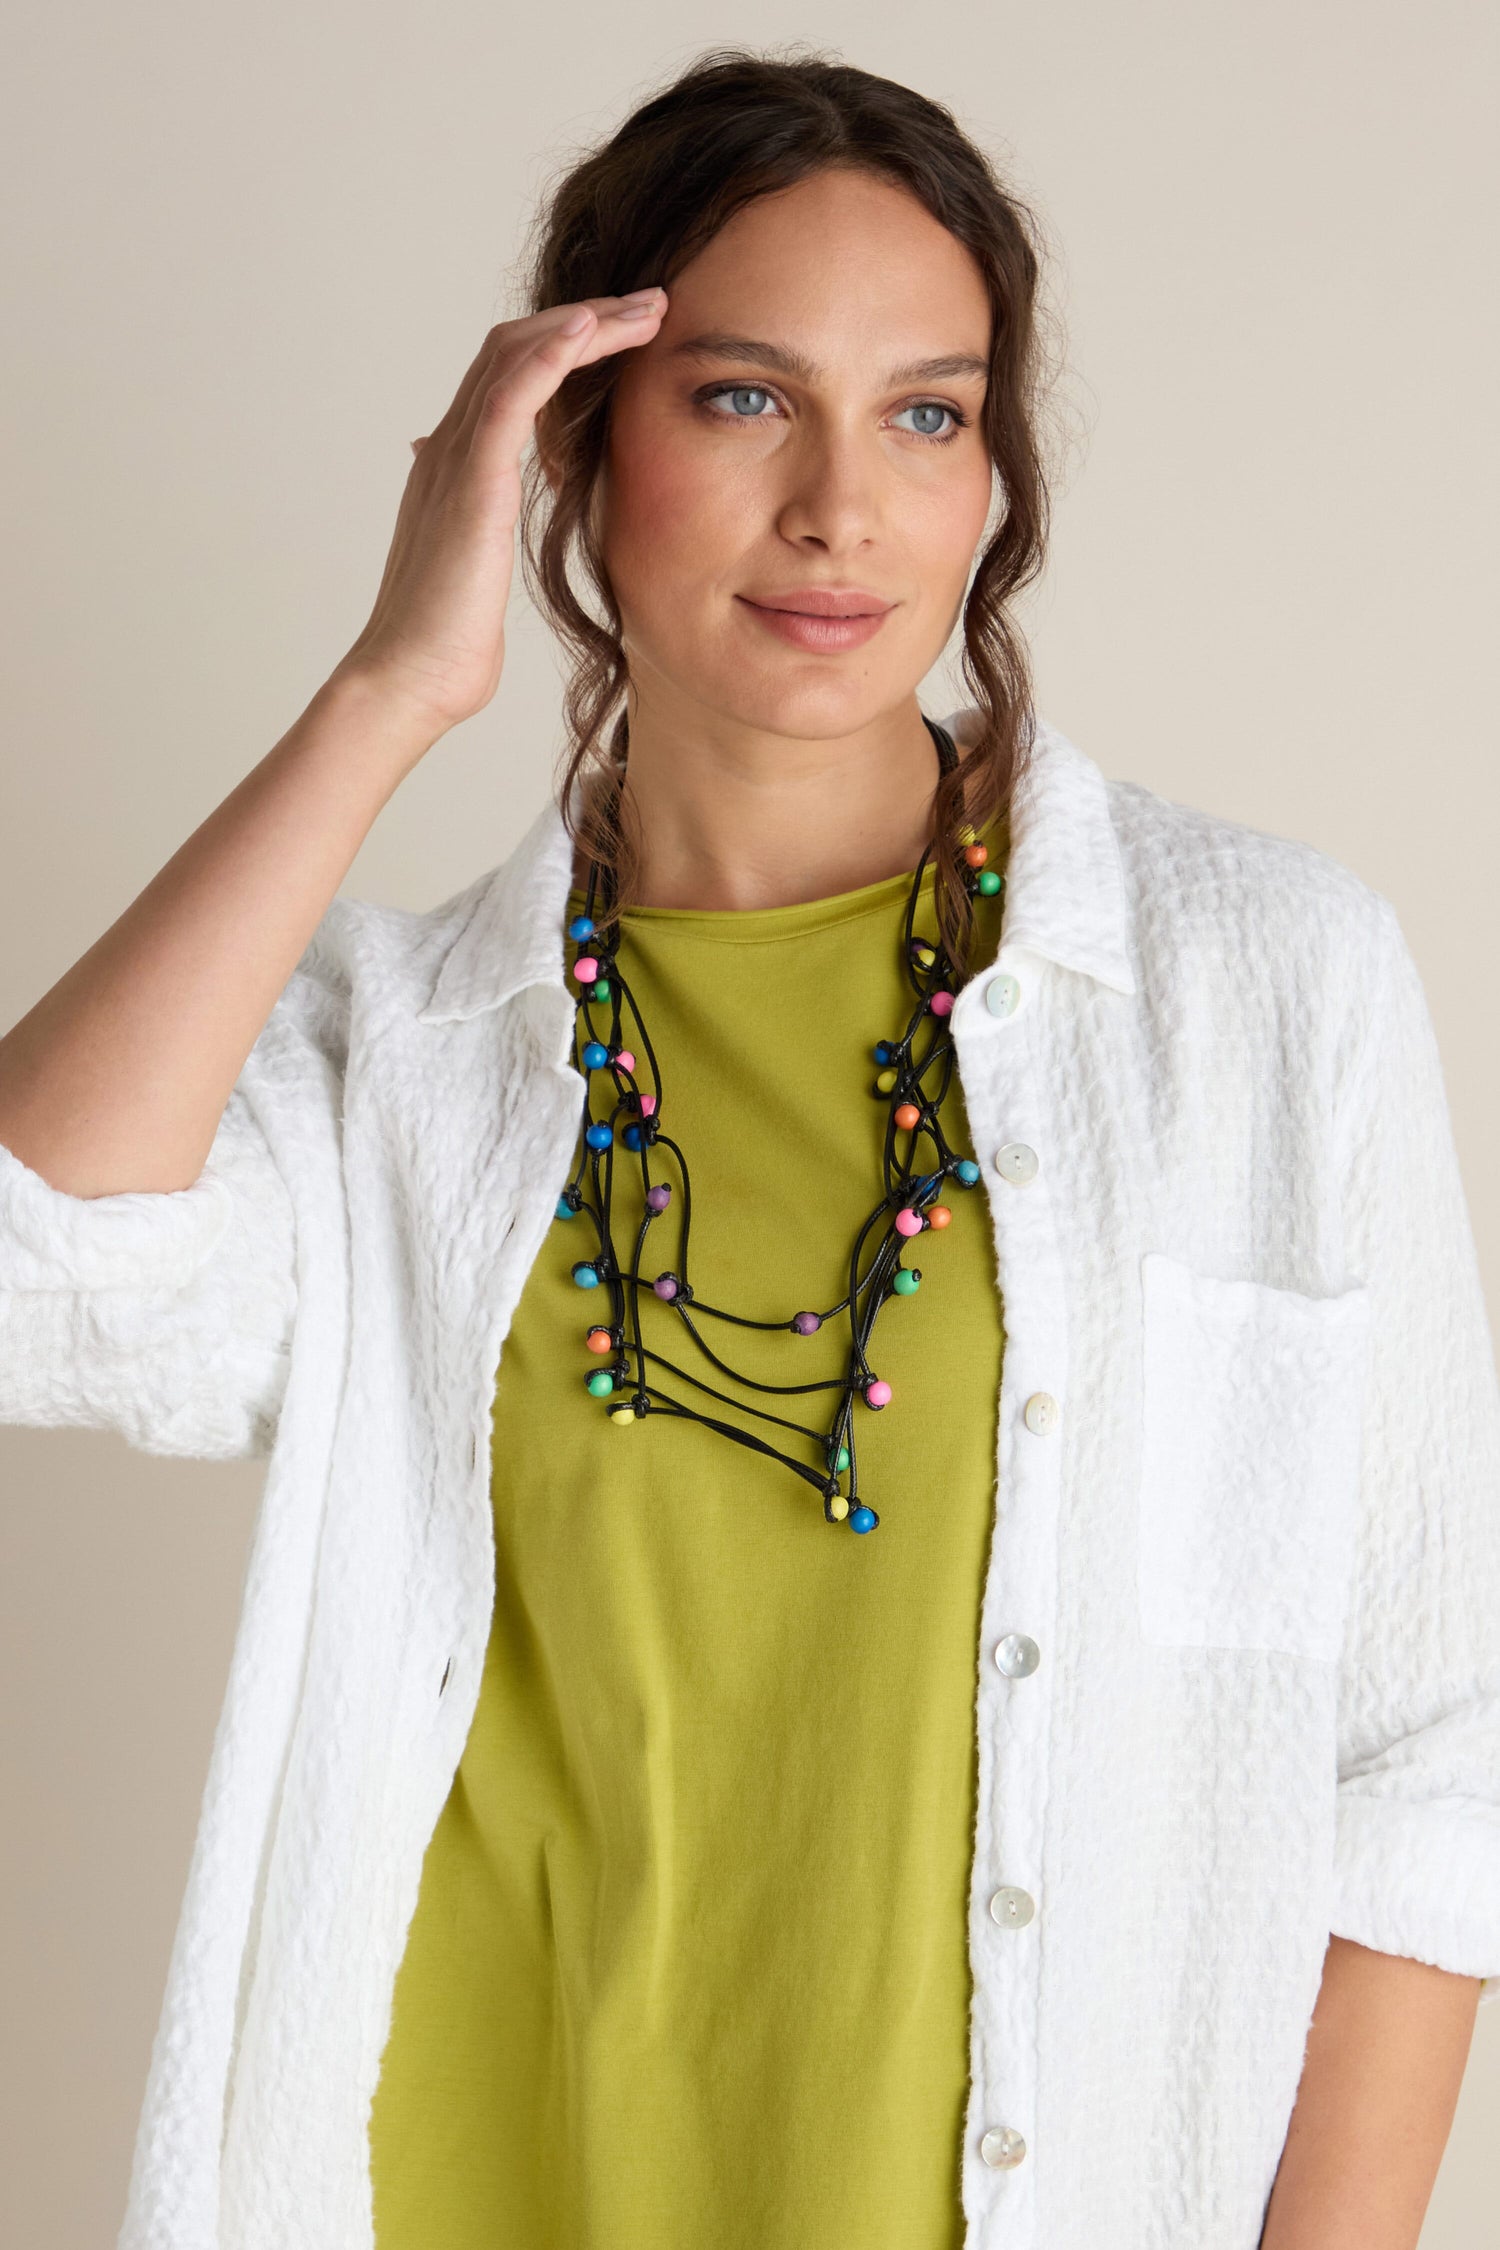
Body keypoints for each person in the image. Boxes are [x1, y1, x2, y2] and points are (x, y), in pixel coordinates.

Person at [1, 45, 1496, 2250]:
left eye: (927, 412)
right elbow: (39, 1265)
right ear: (570, 448)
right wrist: (394, 684)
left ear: (998, 479)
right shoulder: (409, 1057)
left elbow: (1431, 1754)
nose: (842, 509)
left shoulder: (1260, 990)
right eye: (735, 398)